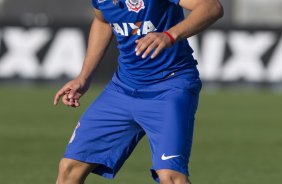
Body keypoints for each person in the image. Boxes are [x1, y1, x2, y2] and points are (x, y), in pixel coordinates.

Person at [54, 0, 223, 183]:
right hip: (122, 88)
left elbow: (211, 7)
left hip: (168, 87)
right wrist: (84, 77)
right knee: (69, 168)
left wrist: (169, 35)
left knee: (171, 177)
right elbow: (102, 22)